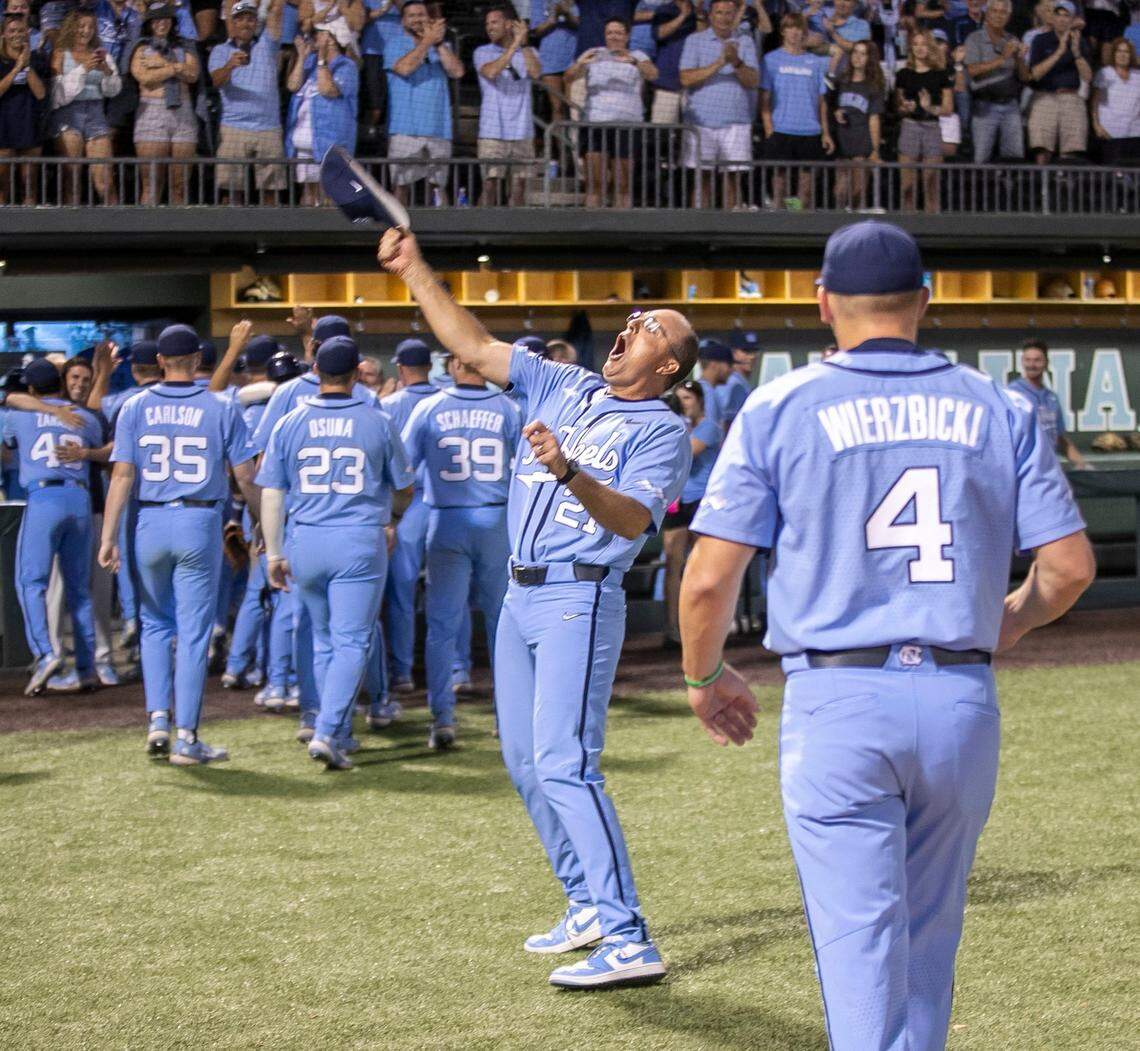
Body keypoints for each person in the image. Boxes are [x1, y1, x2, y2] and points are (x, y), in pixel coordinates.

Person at [678, 220, 1095, 1051]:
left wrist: (704, 675)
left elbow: (708, 578)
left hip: (840, 696)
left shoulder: (781, 404)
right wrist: (1006, 620)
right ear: (926, 301)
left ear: (823, 301)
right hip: (958, 695)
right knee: (928, 942)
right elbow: (1070, 569)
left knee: (859, 951)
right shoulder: (997, 402)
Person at [379, 225, 698, 989]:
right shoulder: (570, 383)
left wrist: (569, 469)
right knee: (525, 762)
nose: (630, 330)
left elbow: (631, 521)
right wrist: (415, 269)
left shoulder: (665, 432)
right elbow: (477, 343)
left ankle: (629, 937)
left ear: (670, 364)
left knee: (567, 763)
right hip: (520, 595)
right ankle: (586, 902)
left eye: (649, 328)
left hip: (580, 594)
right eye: (632, 322)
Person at [100, 323, 261, 765]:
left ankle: (156, 720)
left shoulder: (134, 405)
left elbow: (122, 475)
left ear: (158, 363)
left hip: (148, 520)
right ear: (195, 360)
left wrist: (108, 535)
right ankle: (187, 736)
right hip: (198, 518)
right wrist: (262, 522)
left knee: (154, 626)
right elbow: (245, 475)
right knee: (192, 634)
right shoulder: (219, 405)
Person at [259, 335, 413, 770]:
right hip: (358, 537)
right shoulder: (376, 418)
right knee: (352, 641)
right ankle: (328, 731)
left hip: (305, 537)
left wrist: (273, 553)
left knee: (325, 641)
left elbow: (272, 492)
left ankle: (338, 729)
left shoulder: (289, 420)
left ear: (315, 372)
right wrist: (393, 521)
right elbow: (404, 489)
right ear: (355, 376)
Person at [400, 351, 522, 749]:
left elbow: (403, 471)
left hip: (446, 519)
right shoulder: (508, 408)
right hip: (496, 520)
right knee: (502, 625)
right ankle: (507, 720)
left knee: (441, 627)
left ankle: (442, 720)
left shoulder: (428, 406)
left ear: (453, 365)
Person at [3, 358, 103, 696]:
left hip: (43, 499)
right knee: (79, 589)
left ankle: (46, 654)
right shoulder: (84, 417)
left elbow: (9, 409)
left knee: (31, 582)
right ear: (60, 383)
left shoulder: (19, 413)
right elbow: (106, 444)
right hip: (79, 500)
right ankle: (88, 669)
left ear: (31, 388)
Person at [45, 355, 118, 691]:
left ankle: (102, 658)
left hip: (94, 508)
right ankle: (53, 658)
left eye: (85, 379)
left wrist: (88, 454)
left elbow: (115, 451)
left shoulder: (94, 417)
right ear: (64, 380)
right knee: (58, 589)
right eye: (74, 378)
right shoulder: (47, 413)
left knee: (99, 589)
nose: (79, 384)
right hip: (60, 508)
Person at [379, 336, 446, 694]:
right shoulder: (445, 401)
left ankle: (402, 671)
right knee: (449, 592)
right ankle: (458, 669)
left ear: (402, 369)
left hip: (406, 505)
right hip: (446, 501)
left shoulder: (388, 405)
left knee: (401, 592)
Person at [564, 17, 657, 208]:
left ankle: (623, 231)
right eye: (610, 33)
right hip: (595, 124)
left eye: (618, 33)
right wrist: (581, 63)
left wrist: (633, 62)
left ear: (627, 36)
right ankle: (592, 230)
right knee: (594, 183)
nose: (614, 37)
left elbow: (653, 74)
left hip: (627, 126)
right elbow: (568, 77)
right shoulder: (593, 54)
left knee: (623, 185)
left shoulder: (638, 55)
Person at [678, 0, 759, 209]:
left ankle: (730, 230)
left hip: (736, 122)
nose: (724, 17)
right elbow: (686, 78)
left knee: (732, 179)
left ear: (735, 16)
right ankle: (698, 228)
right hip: (701, 122)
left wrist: (736, 62)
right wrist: (720, 63)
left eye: (729, 13)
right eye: (719, 12)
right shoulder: (694, 41)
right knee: (702, 177)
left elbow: (753, 81)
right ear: (710, 15)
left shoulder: (746, 42)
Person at [385, 1, 464, 206]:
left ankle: (443, 230)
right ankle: (398, 233)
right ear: (403, 21)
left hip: (438, 128)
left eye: (421, 14)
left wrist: (437, 43)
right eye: (411, 15)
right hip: (405, 128)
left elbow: (457, 71)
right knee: (401, 186)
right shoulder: (394, 43)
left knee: (438, 186)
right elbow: (404, 68)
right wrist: (427, 41)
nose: (417, 19)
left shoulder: (441, 47)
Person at [208, 0, 287, 205]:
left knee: (271, 191)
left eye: (250, 19)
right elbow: (215, 82)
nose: (245, 23)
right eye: (240, 19)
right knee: (231, 191)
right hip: (234, 127)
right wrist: (230, 66)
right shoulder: (219, 51)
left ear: (255, 23)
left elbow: (277, 11)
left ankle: (271, 235)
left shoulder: (267, 45)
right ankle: (230, 235)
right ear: (232, 23)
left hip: (268, 127)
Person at [662, 379, 720, 649]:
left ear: (698, 400)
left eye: (687, 399)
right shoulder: (677, 427)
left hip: (701, 500)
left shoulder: (709, 427)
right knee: (672, 564)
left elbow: (685, 453)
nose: (683, 404)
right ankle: (672, 629)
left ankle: (703, 628)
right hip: (677, 499)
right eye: (680, 399)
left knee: (700, 567)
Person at [129, 3, 199, 207]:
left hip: (183, 113)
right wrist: (176, 68)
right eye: (157, 19)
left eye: (166, 18)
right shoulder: (141, 48)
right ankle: (145, 234)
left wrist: (160, 64)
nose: (162, 23)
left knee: (180, 184)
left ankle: (179, 234)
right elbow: (144, 78)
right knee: (151, 183)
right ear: (150, 23)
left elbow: (193, 75)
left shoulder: (184, 46)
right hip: (151, 113)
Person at [761, 13, 833, 209]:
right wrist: (769, 129)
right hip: (781, 131)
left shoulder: (815, 62)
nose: (794, 32)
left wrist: (825, 132)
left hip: (810, 131)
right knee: (779, 189)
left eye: (799, 28)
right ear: (783, 31)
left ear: (804, 32)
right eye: (790, 28)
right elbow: (765, 98)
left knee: (806, 192)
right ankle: (779, 228)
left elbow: (821, 100)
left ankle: (800, 228)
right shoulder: (770, 59)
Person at [49, 8, 121, 205]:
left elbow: (113, 90)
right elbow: (56, 96)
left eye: (90, 26)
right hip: (68, 114)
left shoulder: (100, 53)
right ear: (72, 27)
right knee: (71, 178)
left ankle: (116, 229)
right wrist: (83, 69)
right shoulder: (60, 54)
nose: (86, 30)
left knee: (106, 181)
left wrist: (107, 72)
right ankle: (69, 230)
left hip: (96, 113)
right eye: (81, 26)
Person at [286, 22, 359, 205]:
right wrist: (302, 57)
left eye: (320, 34)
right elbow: (292, 86)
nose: (314, 37)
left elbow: (327, 89)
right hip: (303, 143)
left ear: (333, 40)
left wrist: (321, 59)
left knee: (329, 194)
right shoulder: (309, 63)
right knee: (308, 193)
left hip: (330, 143)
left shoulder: (347, 66)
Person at [475, 7, 541, 207]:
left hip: (522, 131)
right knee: (490, 185)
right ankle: (481, 229)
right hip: (492, 130)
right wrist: (514, 46)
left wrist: (524, 44)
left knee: (519, 188)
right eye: (487, 24)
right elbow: (492, 72)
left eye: (494, 22)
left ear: (508, 25)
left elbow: (536, 73)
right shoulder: (482, 51)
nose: (489, 27)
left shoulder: (530, 52)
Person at [1008, 338, 1090, 469]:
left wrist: (1082, 463)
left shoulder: (1051, 397)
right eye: (1027, 360)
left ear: (1046, 363)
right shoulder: (1012, 394)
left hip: (1048, 468)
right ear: (1022, 362)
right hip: (1023, 468)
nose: (1032, 365)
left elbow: (1059, 438)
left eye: (1037, 360)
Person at [1027, 0, 1092, 164]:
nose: (1062, 19)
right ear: (1053, 18)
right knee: (1042, 149)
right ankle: (1043, 188)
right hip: (1044, 96)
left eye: (1066, 16)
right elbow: (1034, 74)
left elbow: (1088, 76)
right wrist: (1060, 51)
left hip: (1071, 97)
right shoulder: (1040, 40)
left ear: (1072, 20)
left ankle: (1066, 188)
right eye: (1058, 15)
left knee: (1071, 151)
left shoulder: (1080, 41)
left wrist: (1076, 53)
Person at [895, 29, 953, 212]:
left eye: (924, 44)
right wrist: (905, 108)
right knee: (907, 186)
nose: (919, 48)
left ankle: (933, 230)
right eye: (916, 44)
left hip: (932, 128)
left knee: (931, 184)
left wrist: (929, 108)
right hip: (910, 126)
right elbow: (898, 106)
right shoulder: (903, 74)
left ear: (930, 47)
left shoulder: (941, 74)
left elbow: (947, 109)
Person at [964, 0, 1026, 166]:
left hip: (1010, 105)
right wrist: (1002, 59)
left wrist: (1020, 59)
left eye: (1003, 12)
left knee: (1014, 158)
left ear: (1009, 16)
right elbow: (971, 70)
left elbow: (1024, 76)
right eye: (995, 11)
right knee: (981, 158)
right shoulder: (974, 39)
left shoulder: (1012, 39)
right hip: (984, 106)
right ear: (987, 13)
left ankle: (1011, 191)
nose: (999, 15)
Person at [829, 37, 884, 209]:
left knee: (857, 192)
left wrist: (874, 150)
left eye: (863, 54)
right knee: (839, 192)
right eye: (855, 52)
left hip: (862, 141)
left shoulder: (873, 86)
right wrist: (836, 112)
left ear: (870, 58)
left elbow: (874, 118)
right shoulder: (842, 81)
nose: (857, 57)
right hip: (843, 141)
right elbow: (830, 105)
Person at [0, 14, 47, 207]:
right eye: (12, 31)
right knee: (2, 182)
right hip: (4, 123)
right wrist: (17, 66)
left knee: (29, 182)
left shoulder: (36, 58)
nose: (17, 35)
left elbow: (41, 93)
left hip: (29, 120)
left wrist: (26, 65)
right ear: (3, 34)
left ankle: (32, 229)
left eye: (20, 30)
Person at [1092, 37, 1140, 166]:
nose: (1122, 55)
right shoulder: (1105, 73)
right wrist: (1096, 125)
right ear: (1114, 53)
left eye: (1126, 52)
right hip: (1110, 131)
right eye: (1119, 51)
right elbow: (1095, 101)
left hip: (1134, 131)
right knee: (1113, 171)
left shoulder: (1137, 76)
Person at [530, 0, 579, 123]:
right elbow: (536, 31)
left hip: (575, 56)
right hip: (550, 58)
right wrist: (553, 18)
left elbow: (583, 24)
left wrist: (567, 14)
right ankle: (559, 142)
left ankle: (575, 142)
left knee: (574, 107)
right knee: (557, 108)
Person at [649, 0, 696, 125]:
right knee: (661, 132)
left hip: (694, 84)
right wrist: (683, 16)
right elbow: (658, 33)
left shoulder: (702, 11)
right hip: (667, 82)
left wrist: (699, 13)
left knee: (694, 133)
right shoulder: (664, 10)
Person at [695, 336, 731, 431]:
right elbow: (706, 433)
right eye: (728, 365)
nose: (730, 370)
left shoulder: (700, 389)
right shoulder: (707, 393)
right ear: (714, 365)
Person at [719, 338, 754, 429]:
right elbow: (727, 423)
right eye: (746, 352)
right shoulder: (735, 384)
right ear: (733, 354)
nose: (752, 356)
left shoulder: (738, 382)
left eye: (753, 352)